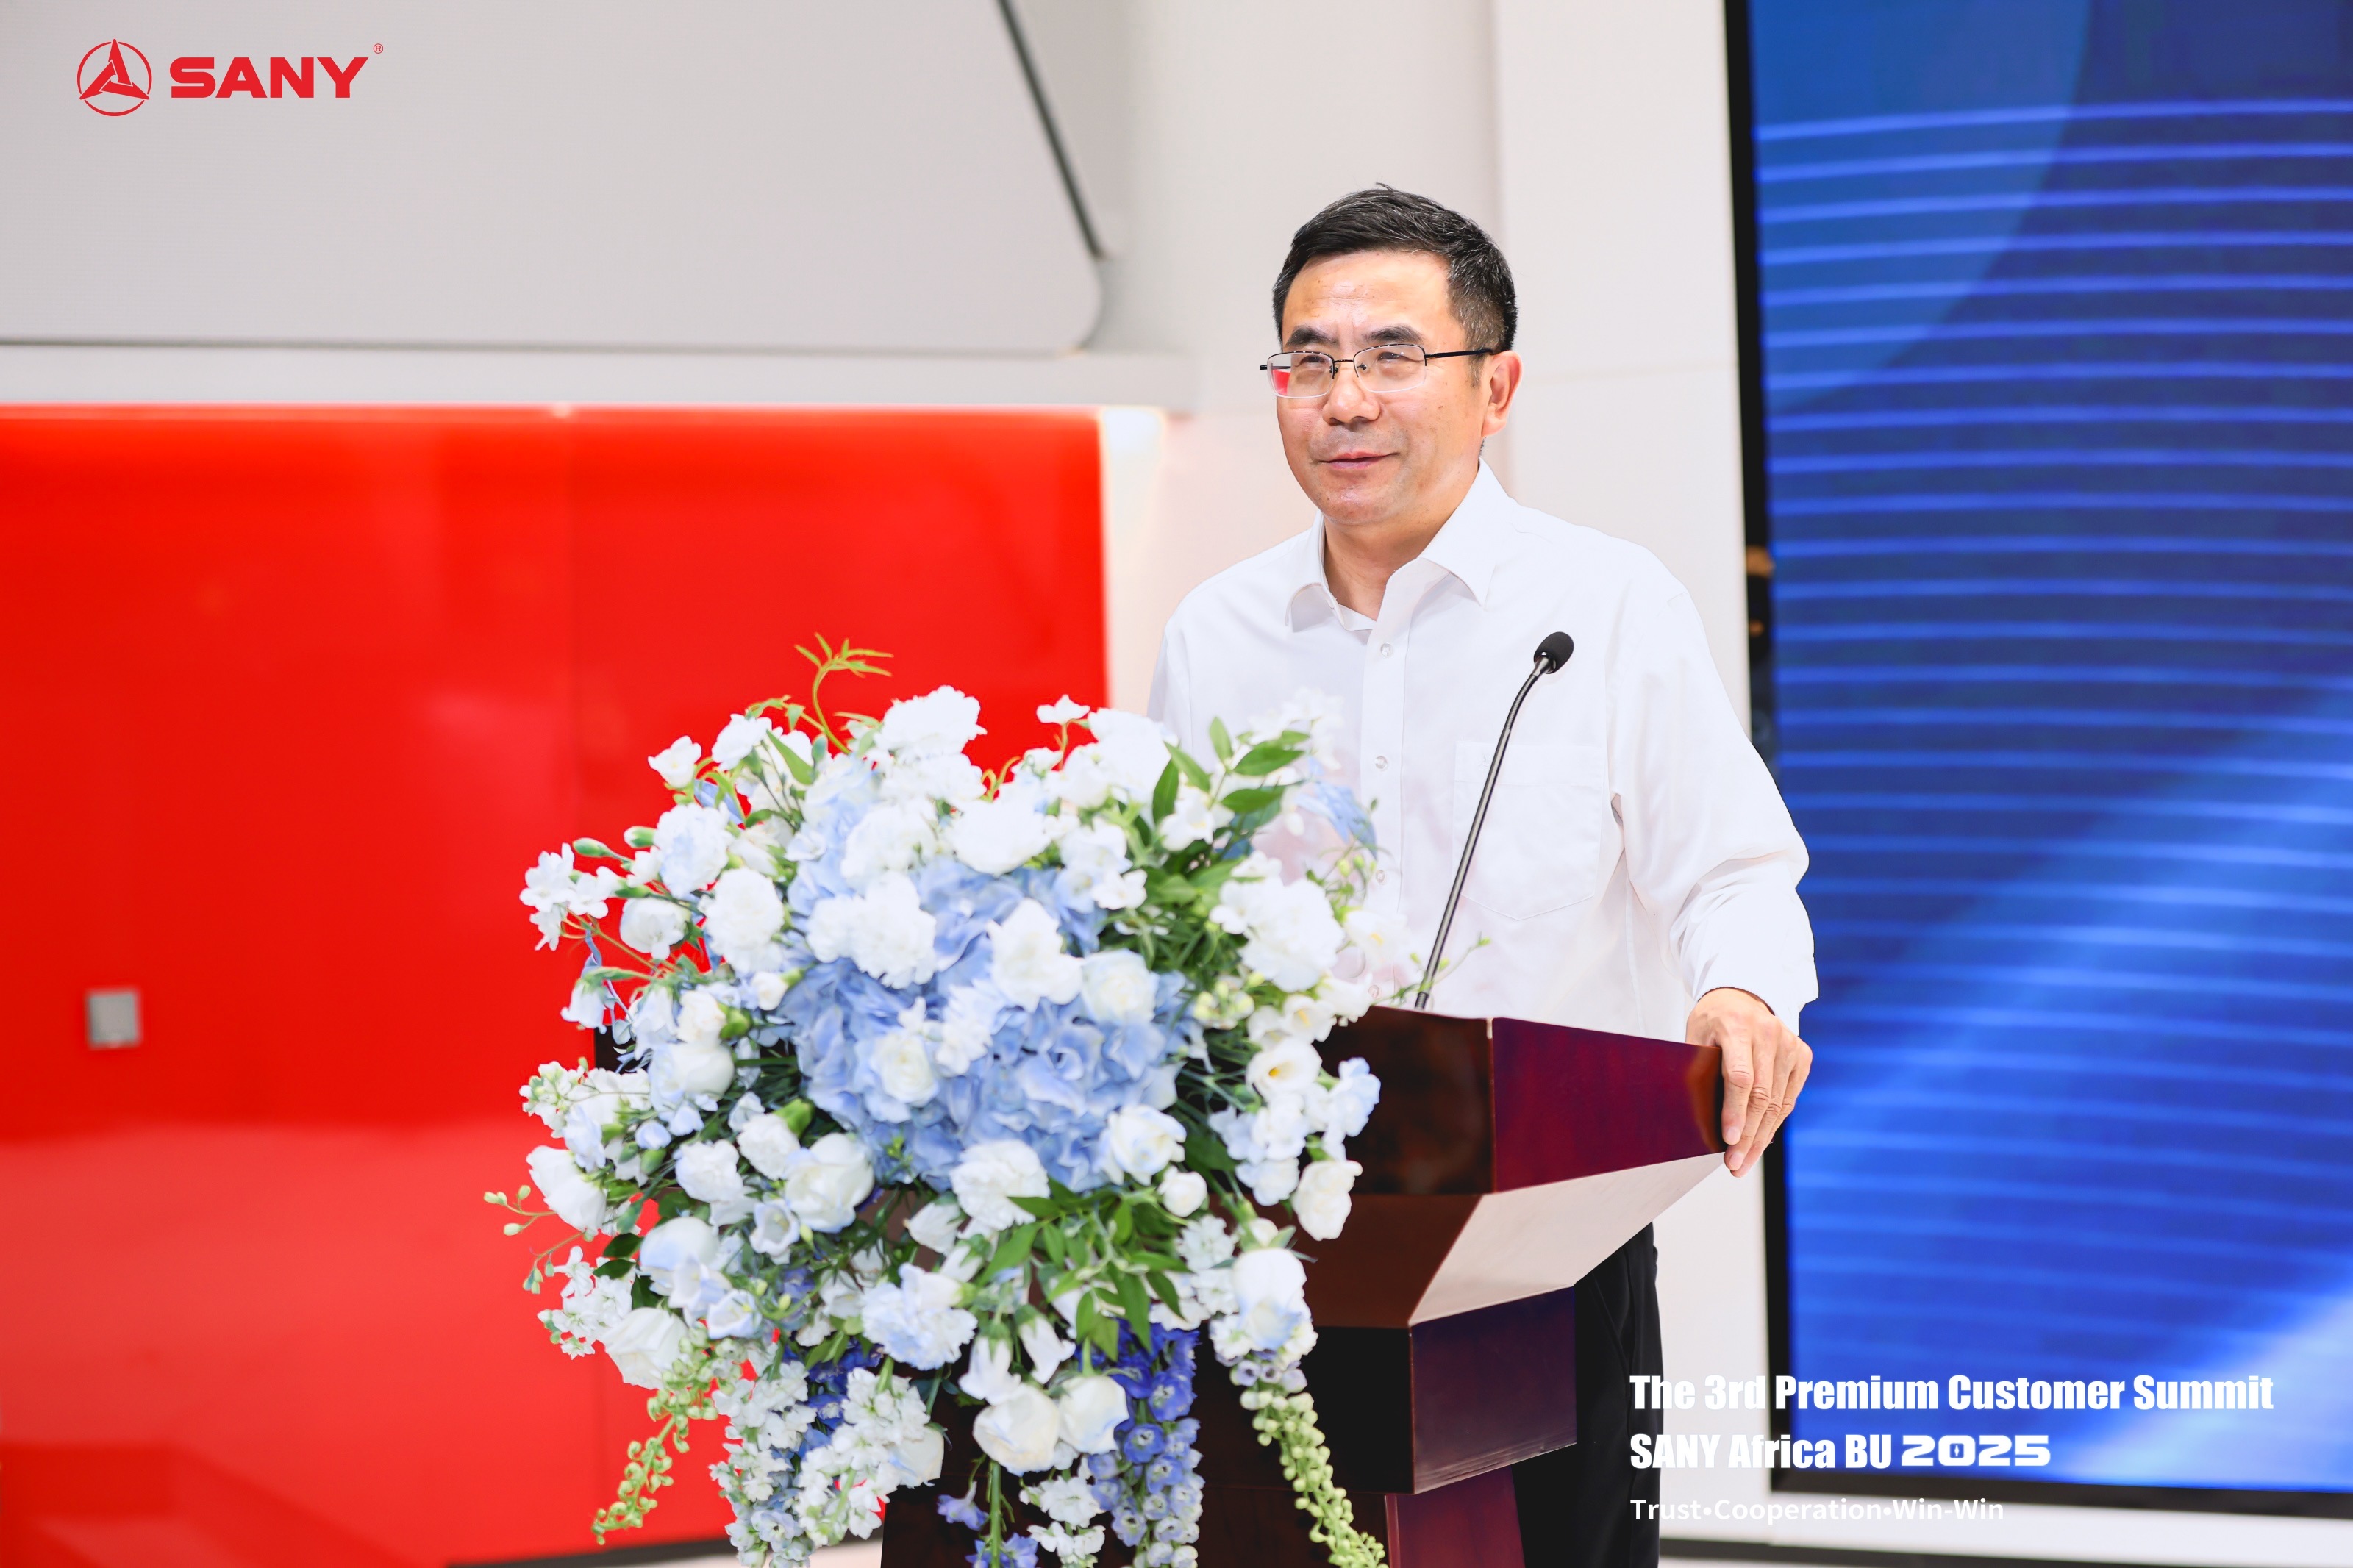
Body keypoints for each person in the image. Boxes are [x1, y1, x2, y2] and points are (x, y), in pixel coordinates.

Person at [1146, 186, 1818, 1567]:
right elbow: (1167, 920)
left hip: (1547, 1247)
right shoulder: (1218, 634)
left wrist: (1744, 998)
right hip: (1285, 1246)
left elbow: (1733, 868)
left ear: (1495, 387)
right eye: (1311, 361)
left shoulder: (1604, 605)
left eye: (1393, 355)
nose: (1345, 399)